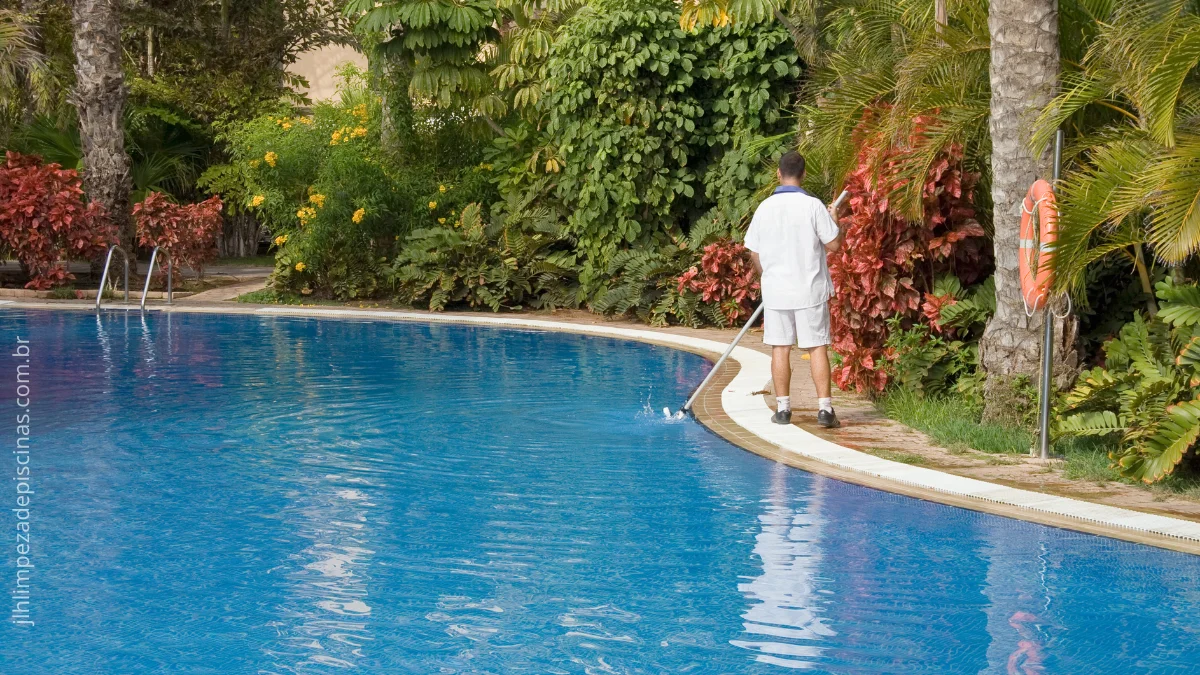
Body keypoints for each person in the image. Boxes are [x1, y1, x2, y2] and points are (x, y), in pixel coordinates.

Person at [744, 151, 844, 428]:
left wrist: (768, 277)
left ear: (778, 173)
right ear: (804, 174)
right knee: (817, 347)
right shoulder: (813, 206)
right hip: (809, 290)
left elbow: (754, 252)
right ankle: (825, 410)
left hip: (777, 291)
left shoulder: (764, 208)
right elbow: (835, 245)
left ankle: (783, 409)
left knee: (780, 347)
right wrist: (835, 219)